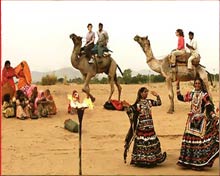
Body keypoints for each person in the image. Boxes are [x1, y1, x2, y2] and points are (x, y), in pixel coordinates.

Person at [176, 77, 219, 170]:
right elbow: (180, 98)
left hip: (200, 121)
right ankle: (188, 162)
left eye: (199, 83)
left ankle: (198, 163)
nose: (197, 85)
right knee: (189, 140)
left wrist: (213, 115)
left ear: (201, 84)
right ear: (194, 84)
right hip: (191, 120)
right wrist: (177, 86)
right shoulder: (191, 94)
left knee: (199, 142)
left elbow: (209, 106)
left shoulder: (204, 95)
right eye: (196, 83)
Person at [123, 87, 166, 167]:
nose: (146, 93)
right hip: (142, 127)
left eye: (147, 92)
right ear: (140, 93)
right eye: (144, 92)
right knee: (143, 143)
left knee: (151, 142)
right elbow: (131, 111)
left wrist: (157, 96)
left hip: (150, 126)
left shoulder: (149, 102)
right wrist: (126, 107)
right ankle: (142, 161)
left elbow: (159, 103)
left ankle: (152, 159)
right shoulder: (137, 104)